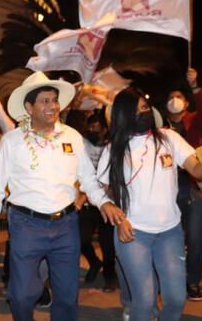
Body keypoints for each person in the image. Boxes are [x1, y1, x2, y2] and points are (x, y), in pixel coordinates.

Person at [0, 71, 124, 321]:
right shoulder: (12, 141)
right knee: (22, 295)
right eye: (45, 101)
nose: (52, 106)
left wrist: (104, 202)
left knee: (67, 297)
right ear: (29, 107)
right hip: (26, 225)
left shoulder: (72, 137)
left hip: (66, 224)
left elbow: (89, 180)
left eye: (54, 100)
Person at [97, 87, 202, 321]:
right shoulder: (113, 149)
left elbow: (196, 168)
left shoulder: (169, 138)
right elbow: (101, 191)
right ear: (123, 115)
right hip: (133, 234)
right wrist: (116, 216)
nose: (142, 113)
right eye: (136, 111)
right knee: (144, 302)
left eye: (144, 108)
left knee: (176, 299)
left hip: (169, 232)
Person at [165, 67, 202, 301]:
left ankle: (192, 281)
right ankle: (171, 278)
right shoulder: (159, 127)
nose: (175, 100)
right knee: (170, 237)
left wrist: (194, 86)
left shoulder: (194, 121)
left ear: (186, 103)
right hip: (167, 190)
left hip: (194, 189)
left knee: (195, 238)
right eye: (171, 97)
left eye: (180, 97)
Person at [76, 112, 117, 292]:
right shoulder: (82, 144)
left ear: (106, 129)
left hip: (107, 201)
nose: (91, 130)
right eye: (90, 127)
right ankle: (94, 262)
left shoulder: (113, 147)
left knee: (107, 244)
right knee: (81, 239)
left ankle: (110, 277)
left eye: (96, 127)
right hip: (87, 204)